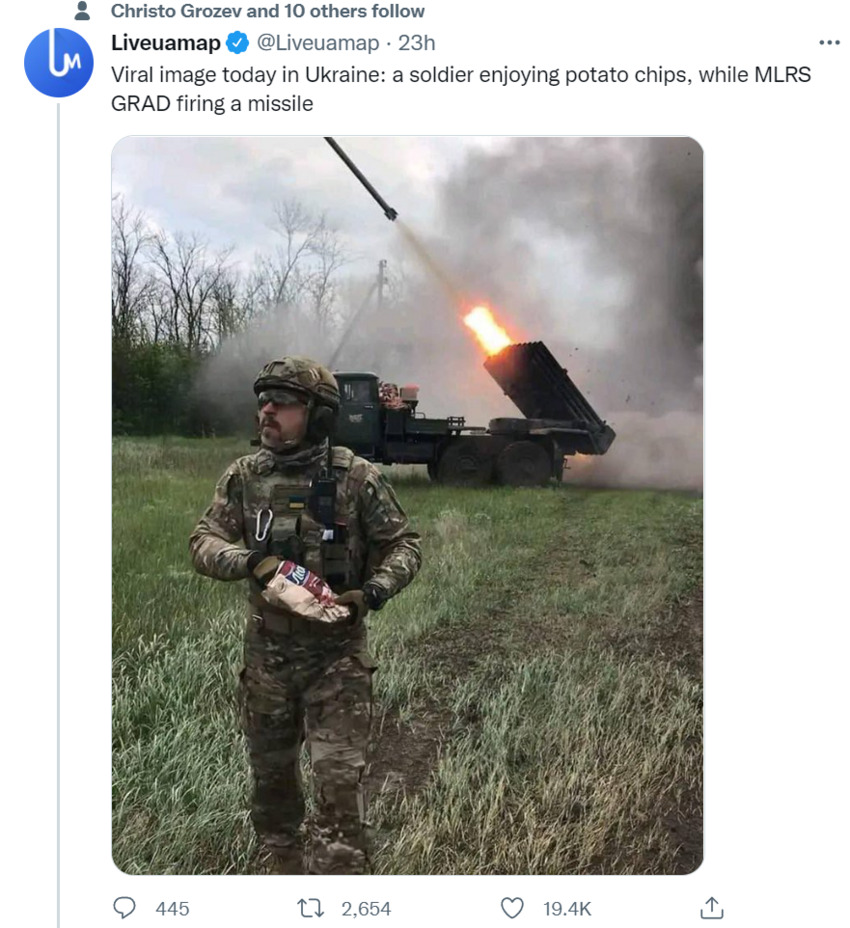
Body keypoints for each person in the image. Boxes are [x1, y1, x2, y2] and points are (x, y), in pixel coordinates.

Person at [189, 357, 421, 875]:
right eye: (263, 403)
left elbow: (404, 545)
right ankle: (282, 872)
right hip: (267, 658)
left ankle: (341, 885)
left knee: (338, 785)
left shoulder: (357, 478)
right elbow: (203, 541)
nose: (267, 412)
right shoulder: (245, 477)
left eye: (283, 404)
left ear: (317, 416)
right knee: (271, 780)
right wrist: (251, 561)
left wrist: (373, 591)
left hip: (336, 661)